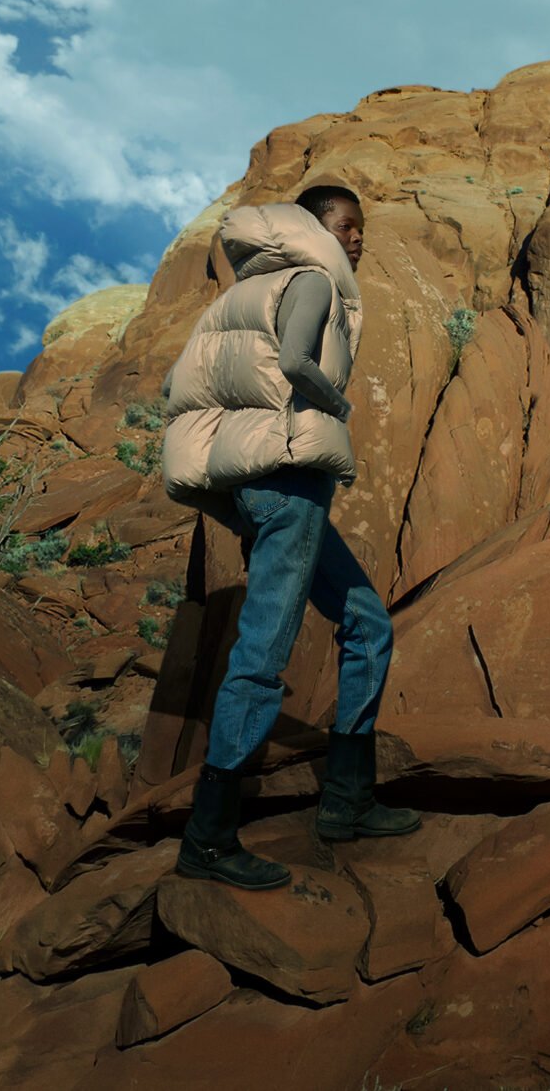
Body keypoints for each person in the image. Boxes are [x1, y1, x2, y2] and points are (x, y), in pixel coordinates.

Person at [160, 183, 420, 890]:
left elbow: (171, 383)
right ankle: (209, 838)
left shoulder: (243, 293)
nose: (358, 237)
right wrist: (337, 402)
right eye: (347, 224)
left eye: (362, 227)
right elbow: (300, 362)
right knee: (262, 655)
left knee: (367, 623)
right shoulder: (311, 278)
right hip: (291, 485)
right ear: (313, 225)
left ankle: (346, 802)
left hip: (252, 488)